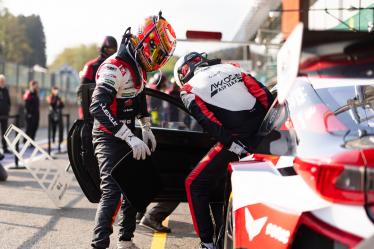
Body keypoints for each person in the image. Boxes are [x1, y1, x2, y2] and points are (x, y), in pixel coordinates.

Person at [89, 12, 176, 249]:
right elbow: (97, 106)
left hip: (128, 134)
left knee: (135, 188)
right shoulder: (114, 68)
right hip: (107, 135)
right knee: (112, 192)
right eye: (157, 50)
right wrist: (128, 135)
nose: (158, 57)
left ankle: (125, 240)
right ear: (144, 42)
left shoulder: (137, 66)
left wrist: (146, 127)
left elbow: (138, 98)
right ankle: (99, 244)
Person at [174, 52, 273, 249]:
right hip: (266, 136)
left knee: (193, 184)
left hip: (237, 142)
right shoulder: (232, 68)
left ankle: (207, 244)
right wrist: (270, 132)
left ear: (184, 72)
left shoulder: (188, 89)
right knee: (218, 182)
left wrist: (234, 145)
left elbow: (210, 123)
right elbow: (265, 96)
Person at [78, 36, 118, 119]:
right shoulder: (90, 66)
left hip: (114, 109)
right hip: (94, 109)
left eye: (112, 50)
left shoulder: (118, 67)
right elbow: (82, 90)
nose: (110, 52)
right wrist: (86, 112)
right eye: (108, 49)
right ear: (102, 49)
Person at [0, 74, 11, 153]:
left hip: (4, 114)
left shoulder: (6, 90)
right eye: (1, 81)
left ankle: (5, 148)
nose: (3, 82)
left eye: (3, 81)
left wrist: (7, 109)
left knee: (5, 132)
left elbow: (8, 101)